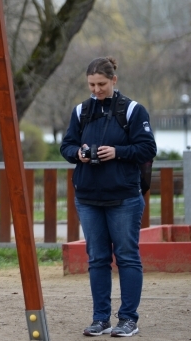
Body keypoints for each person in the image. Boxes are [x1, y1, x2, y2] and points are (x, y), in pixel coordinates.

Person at [60, 57, 156, 337]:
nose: (96, 89)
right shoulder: (81, 111)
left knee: (126, 257)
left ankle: (128, 319)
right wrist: (77, 153)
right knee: (97, 258)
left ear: (114, 80)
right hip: (88, 197)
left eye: (101, 84)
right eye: (91, 85)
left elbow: (147, 148)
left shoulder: (134, 110)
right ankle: (100, 319)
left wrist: (117, 152)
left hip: (124, 197)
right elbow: (66, 145)